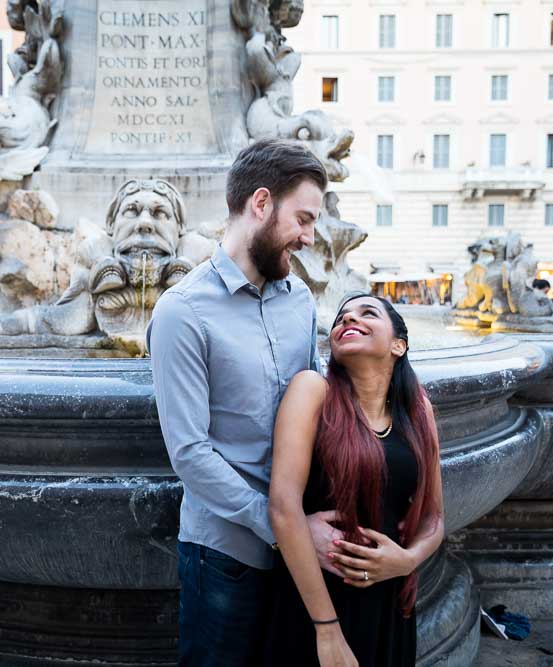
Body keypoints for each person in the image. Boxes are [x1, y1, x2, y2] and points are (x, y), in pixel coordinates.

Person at [148, 139, 346, 666]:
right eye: (303, 219)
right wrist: (284, 526)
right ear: (261, 204)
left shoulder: (300, 299)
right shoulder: (182, 312)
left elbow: (314, 409)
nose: (309, 237)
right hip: (225, 557)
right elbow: (190, 453)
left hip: (301, 552)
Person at [266, 294, 444, 667]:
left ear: (399, 344)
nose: (349, 320)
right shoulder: (312, 390)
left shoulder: (418, 409)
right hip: (315, 596)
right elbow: (283, 506)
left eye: (367, 314)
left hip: (389, 598)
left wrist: (407, 560)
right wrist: (327, 628)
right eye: (341, 317)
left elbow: (434, 518)